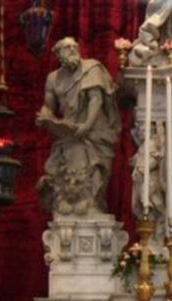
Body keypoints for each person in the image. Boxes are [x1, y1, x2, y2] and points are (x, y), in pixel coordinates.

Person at [36, 37, 121, 215]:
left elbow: (95, 100)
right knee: (66, 173)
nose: (73, 50)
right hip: (69, 132)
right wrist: (45, 117)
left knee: (93, 172)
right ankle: (70, 209)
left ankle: (92, 205)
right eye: (67, 48)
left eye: (74, 46)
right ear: (58, 54)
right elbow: (48, 105)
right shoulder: (53, 79)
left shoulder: (91, 68)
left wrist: (87, 126)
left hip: (93, 133)